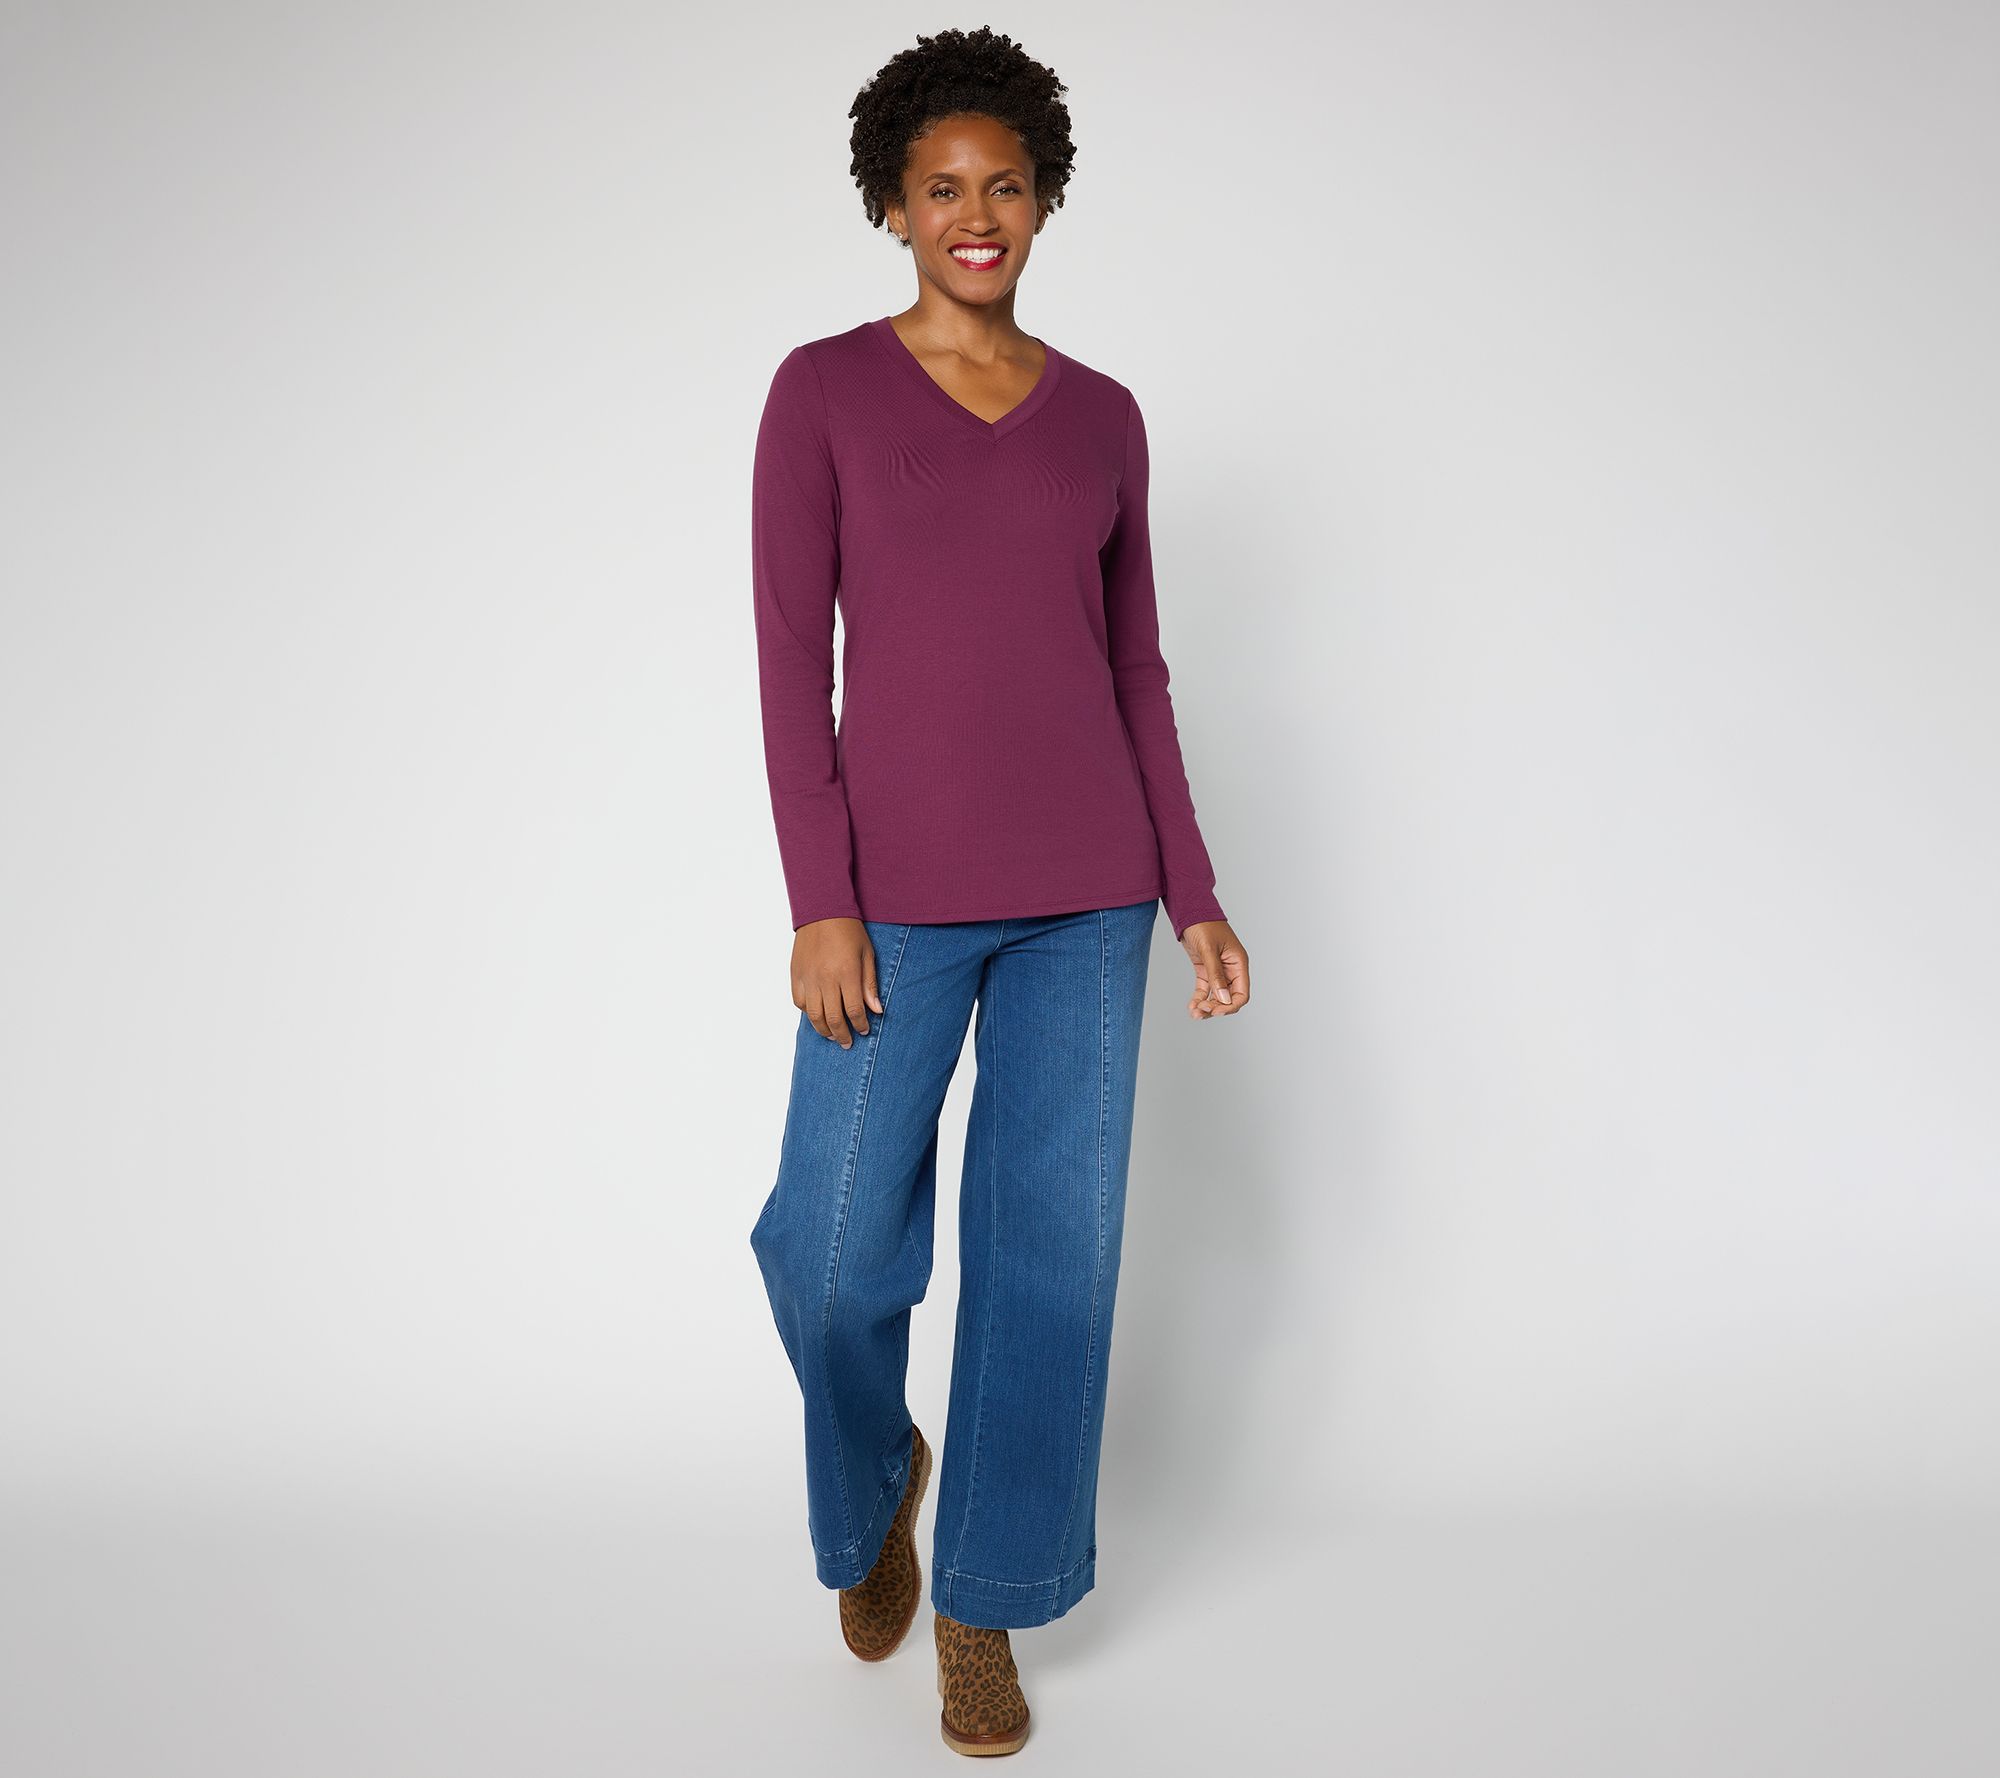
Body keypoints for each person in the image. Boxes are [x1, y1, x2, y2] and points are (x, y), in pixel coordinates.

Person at [746, 26, 1251, 1757]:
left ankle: (985, 1599)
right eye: (944, 188)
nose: (978, 214)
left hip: (1089, 901)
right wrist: (822, 896)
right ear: (893, 206)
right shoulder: (821, 392)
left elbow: (1136, 671)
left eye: (1007, 186)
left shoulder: (1102, 418)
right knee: (825, 1250)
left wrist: (1191, 890)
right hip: (890, 904)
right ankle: (879, 1478)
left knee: (1050, 1266)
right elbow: (789, 664)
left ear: (1044, 202)